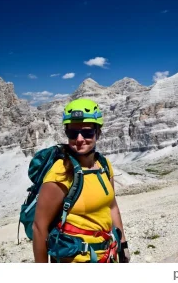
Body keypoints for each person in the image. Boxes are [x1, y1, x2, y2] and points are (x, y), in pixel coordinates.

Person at [32, 98, 130, 263]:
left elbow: (112, 206)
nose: (79, 139)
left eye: (87, 132)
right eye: (72, 133)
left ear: (98, 132)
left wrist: (123, 244)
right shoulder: (60, 172)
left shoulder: (104, 166)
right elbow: (39, 228)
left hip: (107, 256)